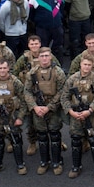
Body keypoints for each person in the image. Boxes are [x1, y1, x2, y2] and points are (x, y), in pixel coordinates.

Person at [0, 58, 30, 175]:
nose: (2, 70)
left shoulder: (15, 82)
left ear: (8, 68)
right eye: (0, 68)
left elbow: (24, 101)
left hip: (12, 116)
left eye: (4, 68)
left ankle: (20, 164)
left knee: (16, 140)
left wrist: (20, 117)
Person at [63, 55, 94, 179]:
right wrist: (70, 111)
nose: (86, 67)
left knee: (93, 140)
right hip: (76, 115)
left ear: (92, 65)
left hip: (90, 114)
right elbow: (64, 97)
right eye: (84, 64)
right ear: (80, 65)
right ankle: (76, 166)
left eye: (89, 65)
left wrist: (91, 110)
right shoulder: (72, 79)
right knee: (76, 140)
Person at [26, 47, 67, 175]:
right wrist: (35, 106)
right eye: (41, 56)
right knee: (42, 136)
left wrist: (49, 107)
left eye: (46, 56)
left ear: (50, 57)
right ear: (38, 58)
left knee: (54, 135)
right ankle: (44, 162)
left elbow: (62, 91)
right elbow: (26, 91)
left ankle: (57, 162)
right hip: (38, 109)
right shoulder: (32, 73)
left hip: (53, 108)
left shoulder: (58, 72)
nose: (44, 58)